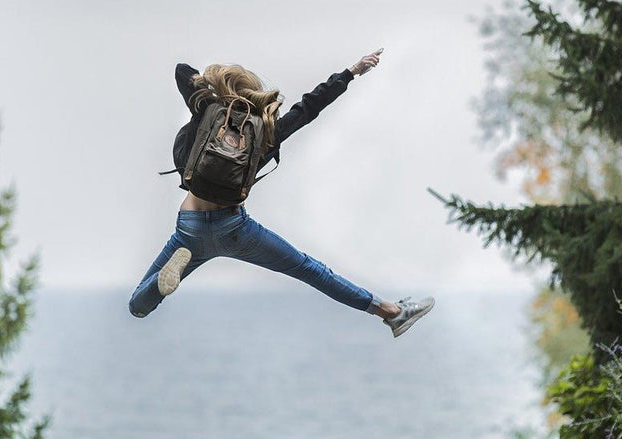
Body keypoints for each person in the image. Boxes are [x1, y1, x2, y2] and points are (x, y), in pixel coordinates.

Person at [128, 49, 434, 338]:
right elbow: (309, 107)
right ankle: (391, 313)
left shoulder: (207, 110)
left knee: (137, 306)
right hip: (234, 229)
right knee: (309, 270)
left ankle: (160, 283)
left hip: (190, 228)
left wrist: (216, 88)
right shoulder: (266, 131)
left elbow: (183, 71)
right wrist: (351, 72)